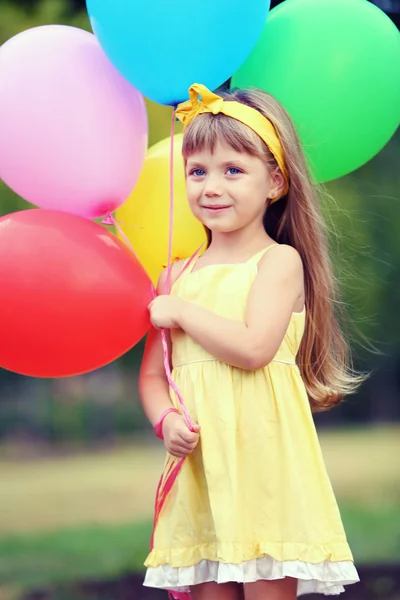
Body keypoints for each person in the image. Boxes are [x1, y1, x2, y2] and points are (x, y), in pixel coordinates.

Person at [139, 83, 362, 600]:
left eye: (233, 170)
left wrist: (180, 311)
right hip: (203, 475)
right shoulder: (175, 277)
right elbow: (153, 377)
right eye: (198, 171)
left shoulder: (278, 263)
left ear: (275, 182)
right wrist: (165, 419)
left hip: (265, 472)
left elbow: (254, 347)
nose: (211, 186)